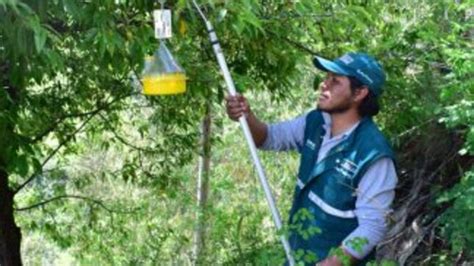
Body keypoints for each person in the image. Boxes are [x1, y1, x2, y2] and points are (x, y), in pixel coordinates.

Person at [225, 52, 397, 266]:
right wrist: (246, 116)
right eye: (327, 78)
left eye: (335, 81)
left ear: (360, 92)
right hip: (295, 257)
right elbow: (268, 138)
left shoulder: (373, 155)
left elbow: (372, 228)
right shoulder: (316, 123)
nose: (324, 85)